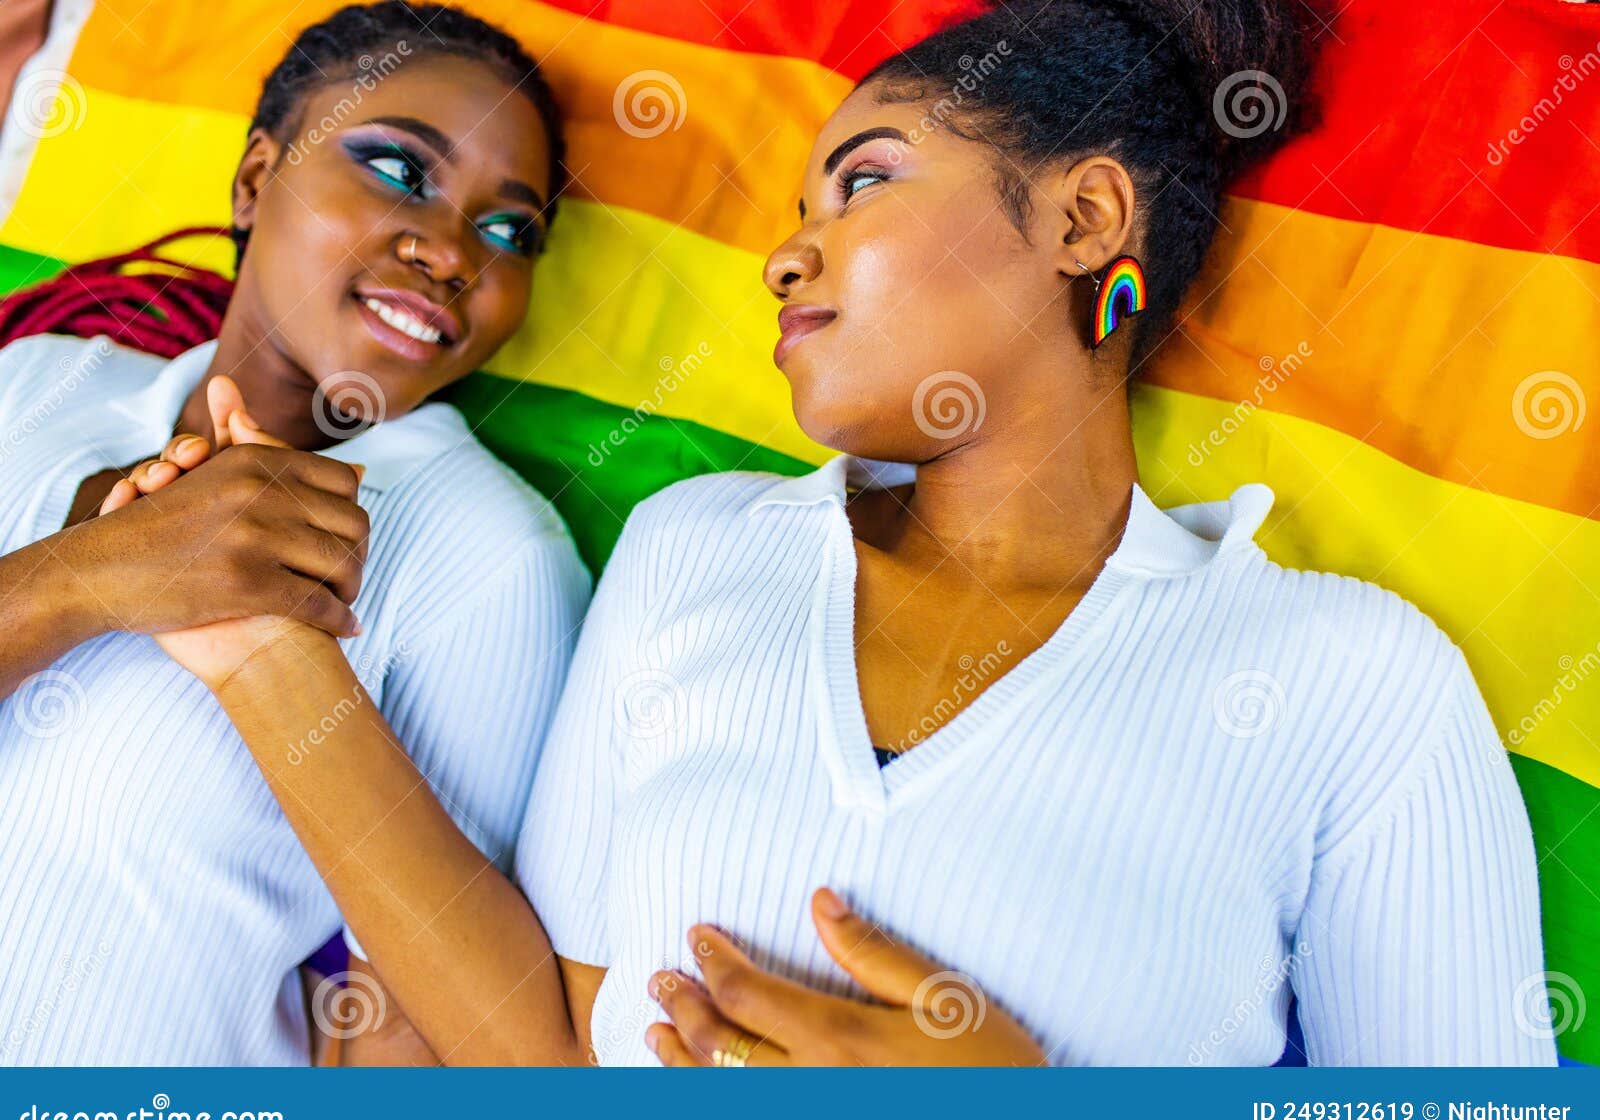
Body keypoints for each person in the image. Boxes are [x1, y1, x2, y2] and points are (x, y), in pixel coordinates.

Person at [130, 0, 1554, 1066]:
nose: (783, 255)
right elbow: (540, 1055)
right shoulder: (697, 551)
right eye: (796, 210)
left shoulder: (1354, 678)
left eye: (863, 184)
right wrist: (266, 653)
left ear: (1086, 216)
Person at [0, 2, 588, 1065]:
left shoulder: (489, 549)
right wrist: (85, 578)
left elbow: (419, 1036)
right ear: (255, 177)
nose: (453, 250)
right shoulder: (42, 377)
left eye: (512, 231)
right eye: (401, 170)